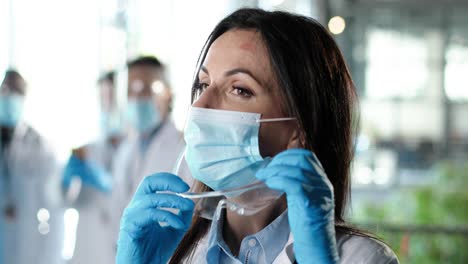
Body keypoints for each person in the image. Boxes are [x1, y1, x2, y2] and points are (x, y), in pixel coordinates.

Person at [116, 8, 401, 264]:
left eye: (239, 89)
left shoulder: (363, 258)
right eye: (203, 85)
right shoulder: (176, 252)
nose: (200, 106)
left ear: (297, 130)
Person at [111, 56, 189, 245]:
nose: (137, 98)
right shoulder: (125, 151)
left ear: (168, 94)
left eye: (146, 89)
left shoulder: (185, 149)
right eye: (131, 90)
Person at [0, 70, 63, 264]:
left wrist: (51, 258)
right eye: (5, 90)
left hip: (26, 251)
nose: (10, 96)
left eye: (17, 92)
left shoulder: (42, 149)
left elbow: (55, 213)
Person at [61, 71, 123, 264]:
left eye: (111, 99)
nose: (106, 107)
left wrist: (108, 185)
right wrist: (65, 183)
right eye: (102, 100)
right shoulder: (87, 151)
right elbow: (65, 201)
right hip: (87, 253)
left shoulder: (139, 152)